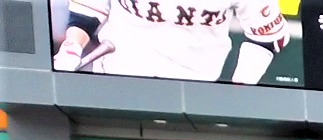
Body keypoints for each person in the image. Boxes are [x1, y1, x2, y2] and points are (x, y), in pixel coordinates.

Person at [53, 0, 289, 83]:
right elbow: (88, 9)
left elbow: (269, 37)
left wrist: (239, 91)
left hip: (196, 87)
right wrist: (71, 47)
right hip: (117, 76)